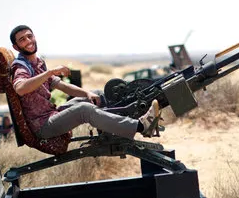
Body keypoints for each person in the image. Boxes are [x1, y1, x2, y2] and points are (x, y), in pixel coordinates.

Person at [9, 25, 160, 142]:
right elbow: (20, 88)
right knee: (84, 110)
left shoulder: (37, 63)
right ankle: (141, 126)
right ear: (16, 47)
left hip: (52, 114)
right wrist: (49, 72)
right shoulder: (21, 67)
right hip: (42, 125)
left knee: (97, 94)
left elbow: (62, 86)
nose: (28, 41)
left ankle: (122, 123)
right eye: (22, 39)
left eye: (30, 36)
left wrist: (87, 93)